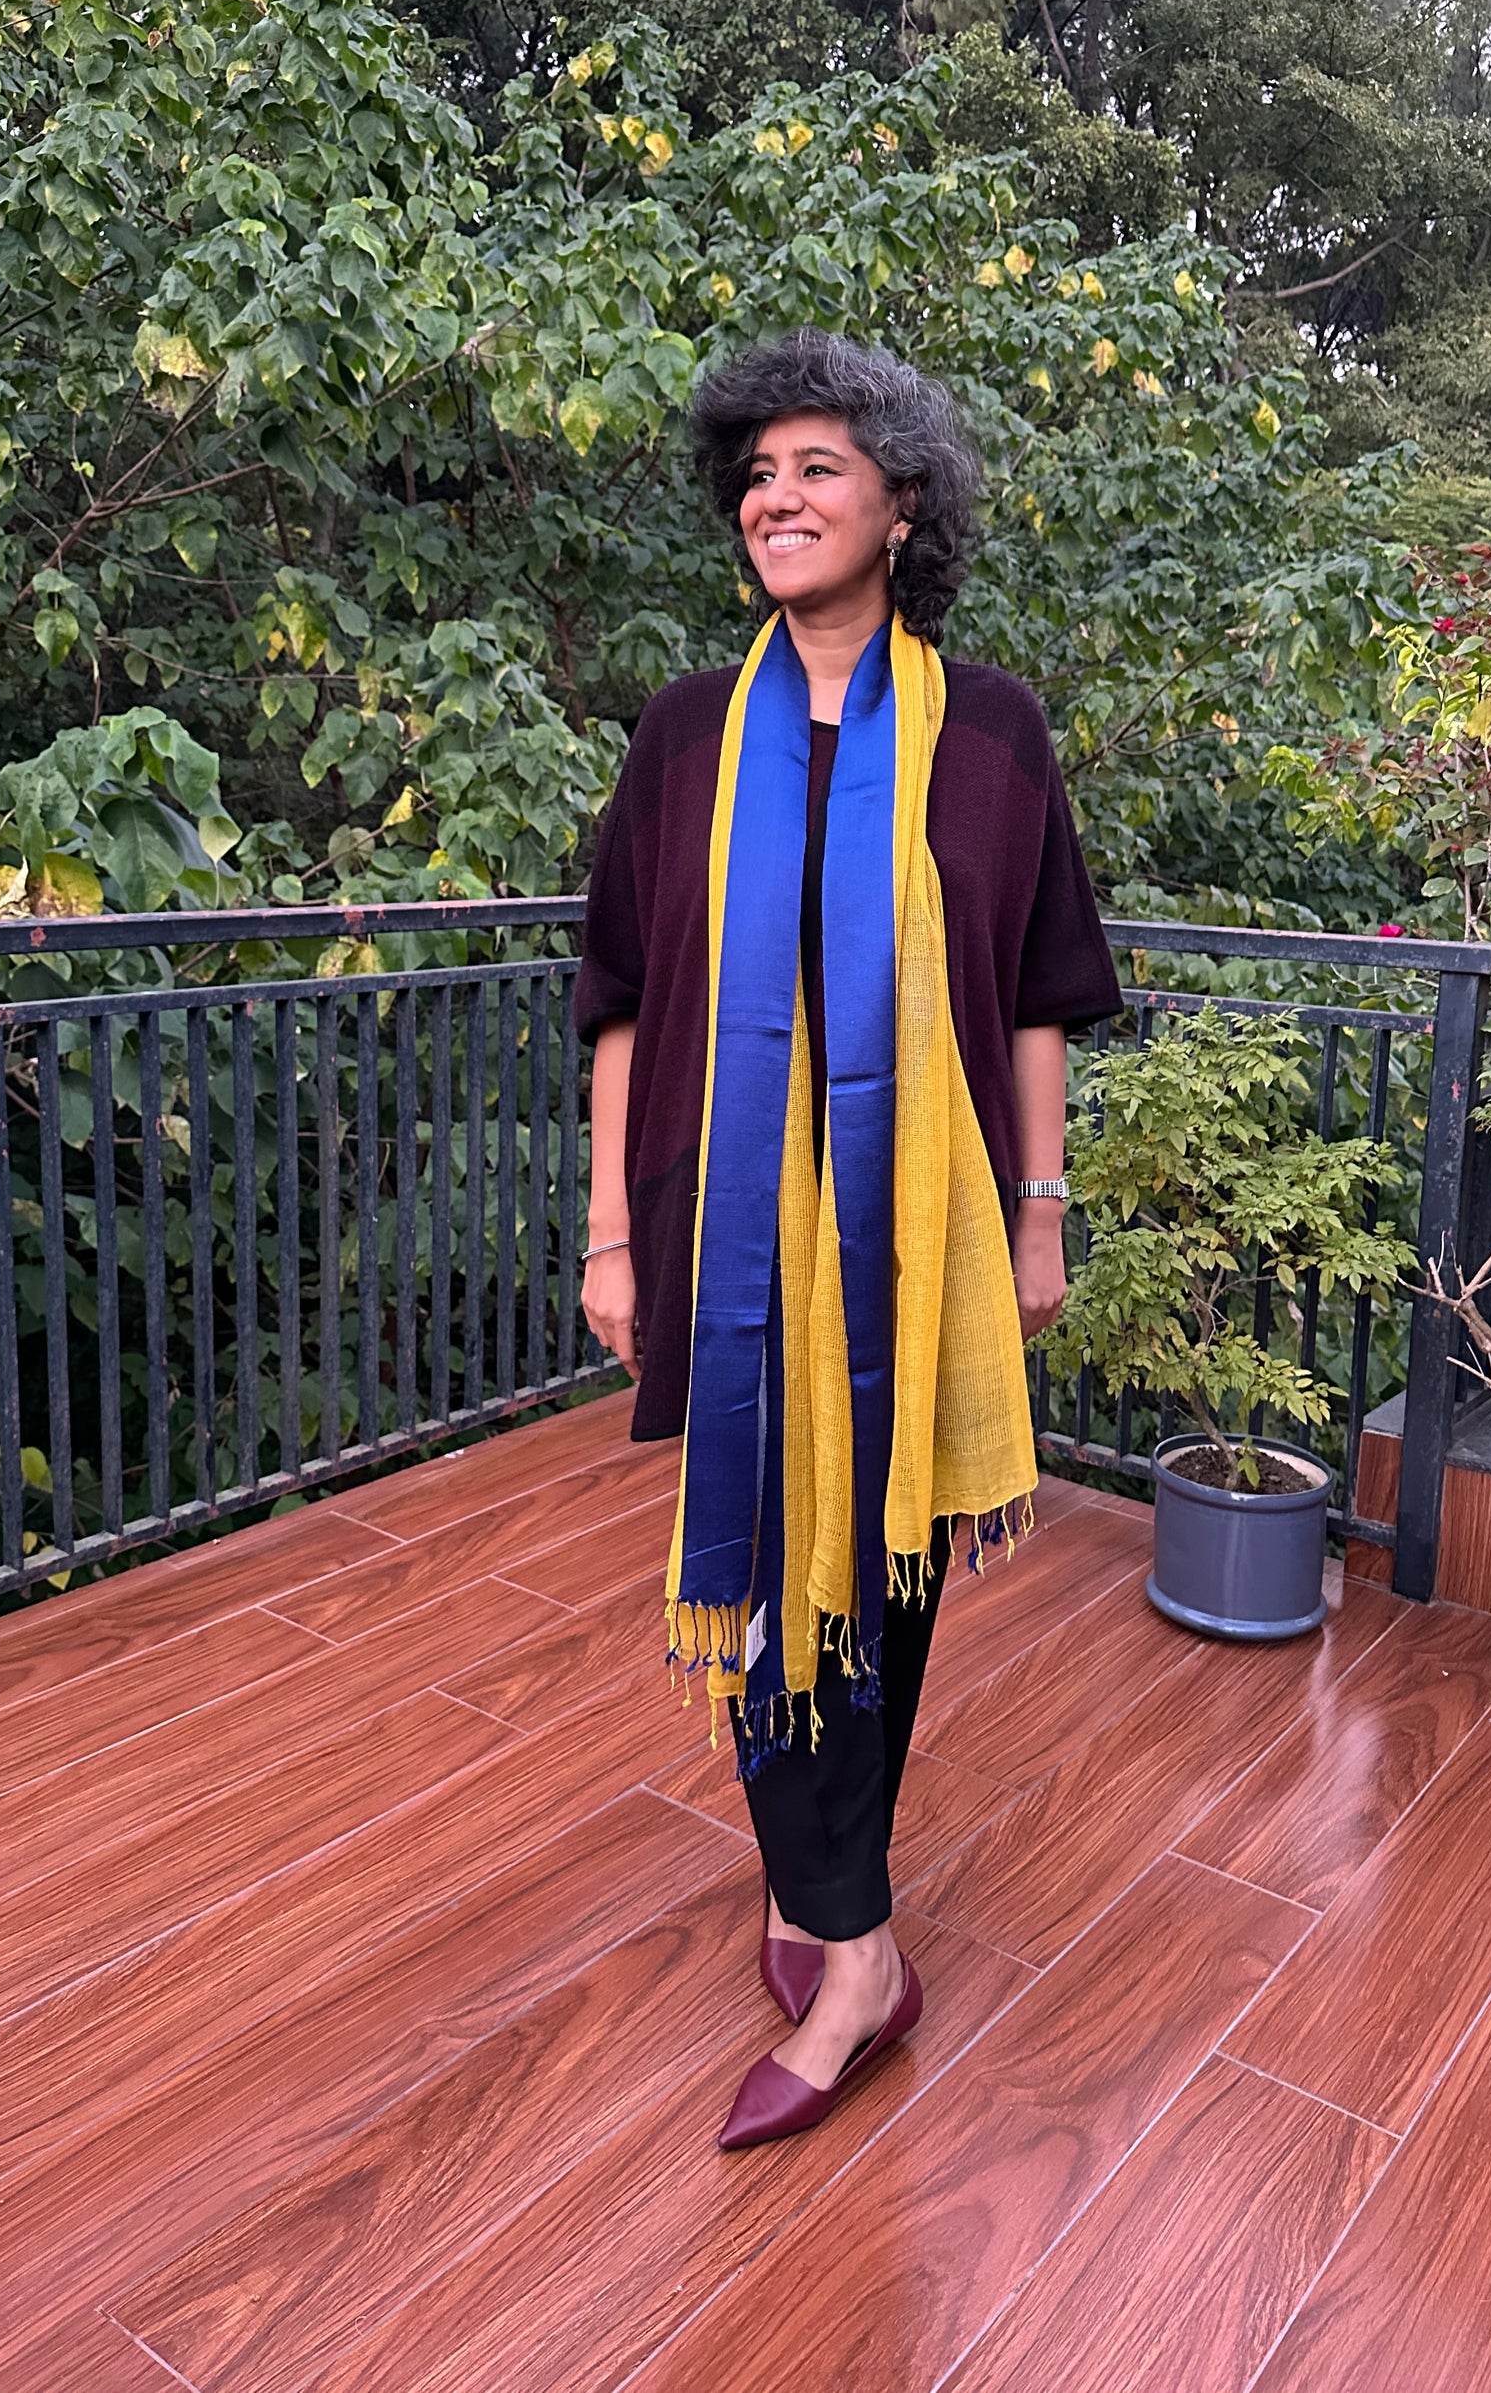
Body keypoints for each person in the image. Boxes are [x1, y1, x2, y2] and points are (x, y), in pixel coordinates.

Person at [576, 330, 1119, 2148]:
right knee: (753, 1546)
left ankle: (838, 1922)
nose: (775, 498)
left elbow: (1034, 997)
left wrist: (1040, 1214)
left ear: (901, 505)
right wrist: (609, 1236)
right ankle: (844, 1921)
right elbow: (622, 1001)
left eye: (816, 466)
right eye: (756, 474)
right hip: (724, 1233)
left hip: (921, 1233)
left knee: (885, 1560)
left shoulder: (992, 734)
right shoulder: (683, 736)